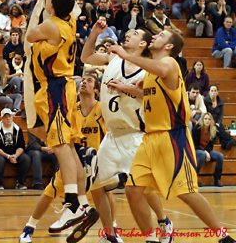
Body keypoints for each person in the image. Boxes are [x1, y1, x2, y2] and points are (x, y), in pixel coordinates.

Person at [108, 29, 236, 243]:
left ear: (169, 46)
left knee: (186, 192)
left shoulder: (170, 64)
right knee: (132, 189)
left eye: (161, 35)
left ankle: (223, 237)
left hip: (173, 138)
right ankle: (151, 237)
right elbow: (149, 97)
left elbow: (158, 68)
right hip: (149, 139)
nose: (155, 36)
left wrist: (125, 54)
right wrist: (125, 88)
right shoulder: (152, 73)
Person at [80, 24, 173, 243]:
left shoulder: (149, 69)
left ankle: (163, 221)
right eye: (128, 32)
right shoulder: (112, 59)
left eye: (134, 34)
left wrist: (126, 88)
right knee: (96, 186)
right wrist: (94, 33)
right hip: (112, 136)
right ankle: (110, 235)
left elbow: (154, 98)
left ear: (142, 44)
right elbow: (86, 57)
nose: (128, 34)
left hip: (135, 135)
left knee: (143, 188)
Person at [25, 0, 97, 235]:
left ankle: (72, 201)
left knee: (61, 145)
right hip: (57, 86)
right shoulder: (70, 21)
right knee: (64, 146)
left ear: (52, 5)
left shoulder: (51, 26)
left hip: (55, 87)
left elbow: (29, 35)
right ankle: (83, 202)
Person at [23, 0, 94, 139]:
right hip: (47, 64)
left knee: (42, 128)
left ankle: (68, 164)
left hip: (45, 66)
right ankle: (67, 163)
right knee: (39, 126)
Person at [19, 73, 104, 243]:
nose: (84, 82)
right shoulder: (72, 106)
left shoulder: (101, 110)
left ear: (96, 90)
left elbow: (109, 138)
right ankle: (29, 228)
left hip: (94, 161)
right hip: (73, 158)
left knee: (104, 194)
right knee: (49, 192)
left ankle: (111, 231)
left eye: (89, 81)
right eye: (84, 79)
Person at [0, 108, 31, 190]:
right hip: (2, 153)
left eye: (9, 116)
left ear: (12, 117)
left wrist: (15, 156)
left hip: (15, 153)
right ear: (2, 118)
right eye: (5, 117)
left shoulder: (17, 129)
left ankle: (20, 183)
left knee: (26, 158)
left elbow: (21, 146)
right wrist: (7, 156)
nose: (8, 119)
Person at [192, 112, 224, 187]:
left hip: (206, 151)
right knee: (202, 154)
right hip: (197, 150)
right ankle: (193, 180)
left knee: (220, 156)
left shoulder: (212, 130)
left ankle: (217, 179)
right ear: (202, 120)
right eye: (205, 119)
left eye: (209, 119)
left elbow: (210, 146)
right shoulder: (197, 128)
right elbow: (195, 145)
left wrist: (208, 152)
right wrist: (205, 152)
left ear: (211, 121)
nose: (207, 121)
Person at [204, 85, 236, 150]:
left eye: (215, 91)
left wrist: (218, 123)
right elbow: (205, 113)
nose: (213, 92)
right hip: (209, 121)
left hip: (217, 121)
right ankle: (230, 140)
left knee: (219, 127)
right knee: (219, 130)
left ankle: (225, 144)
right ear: (209, 92)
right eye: (212, 91)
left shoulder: (221, 101)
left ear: (217, 92)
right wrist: (212, 123)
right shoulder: (205, 100)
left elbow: (221, 114)